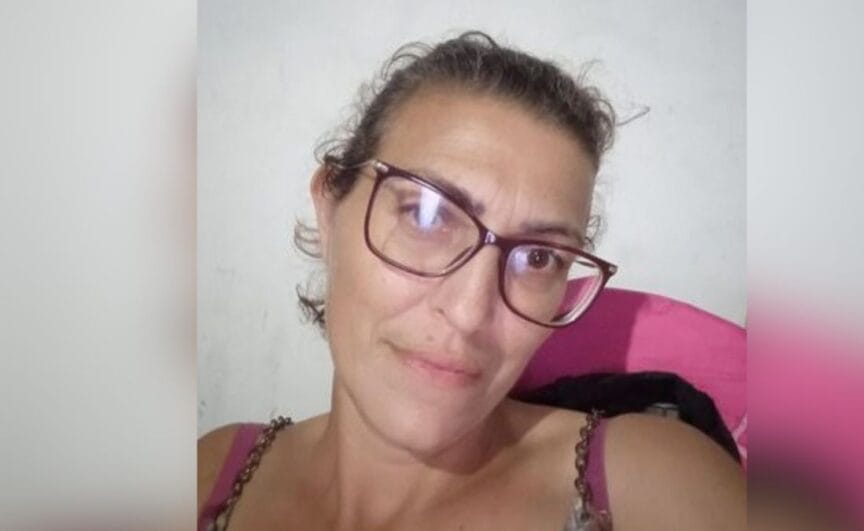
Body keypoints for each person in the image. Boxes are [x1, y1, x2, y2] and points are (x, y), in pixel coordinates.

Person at [197, 31, 745, 531]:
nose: (468, 312)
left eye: (538, 257)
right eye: (426, 216)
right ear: (328, 209)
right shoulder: (207, 472)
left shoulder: (650, 484)